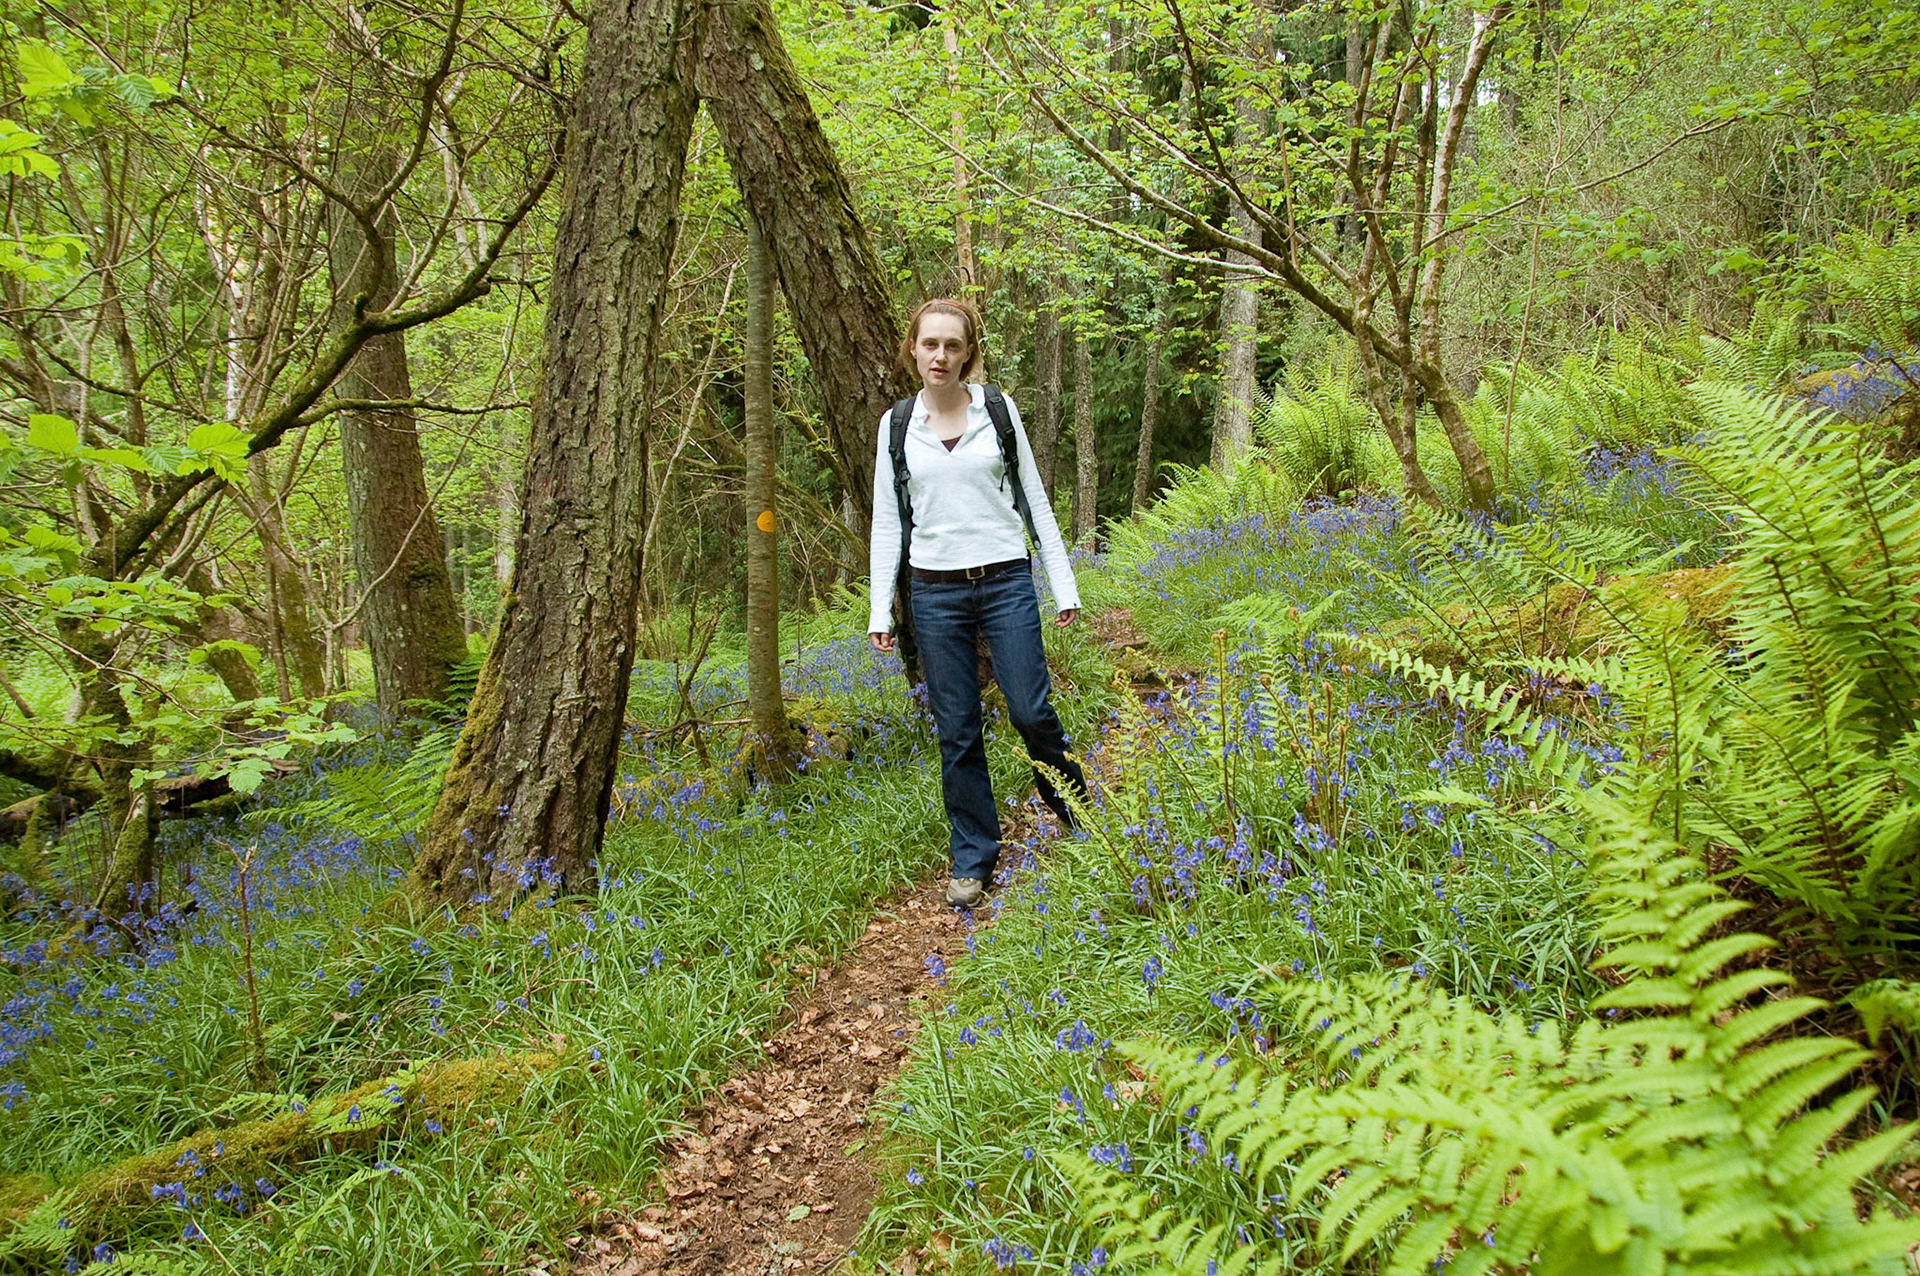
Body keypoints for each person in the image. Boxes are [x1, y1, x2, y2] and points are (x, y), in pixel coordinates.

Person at [868, 298, 1089, 909]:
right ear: (913, 350)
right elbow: (887, 521)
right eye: (930, 344)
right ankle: (972, 854)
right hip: (934, 592)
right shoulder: (896, 426)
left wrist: (1063, 584)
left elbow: (1034, 499)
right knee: (958, 729)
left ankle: (1076, 810)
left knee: (1030, 710)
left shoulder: (997, 410)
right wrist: (880, 609)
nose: (940, 356)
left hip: (1005, 580)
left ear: (968, 354)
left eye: (953, 345)